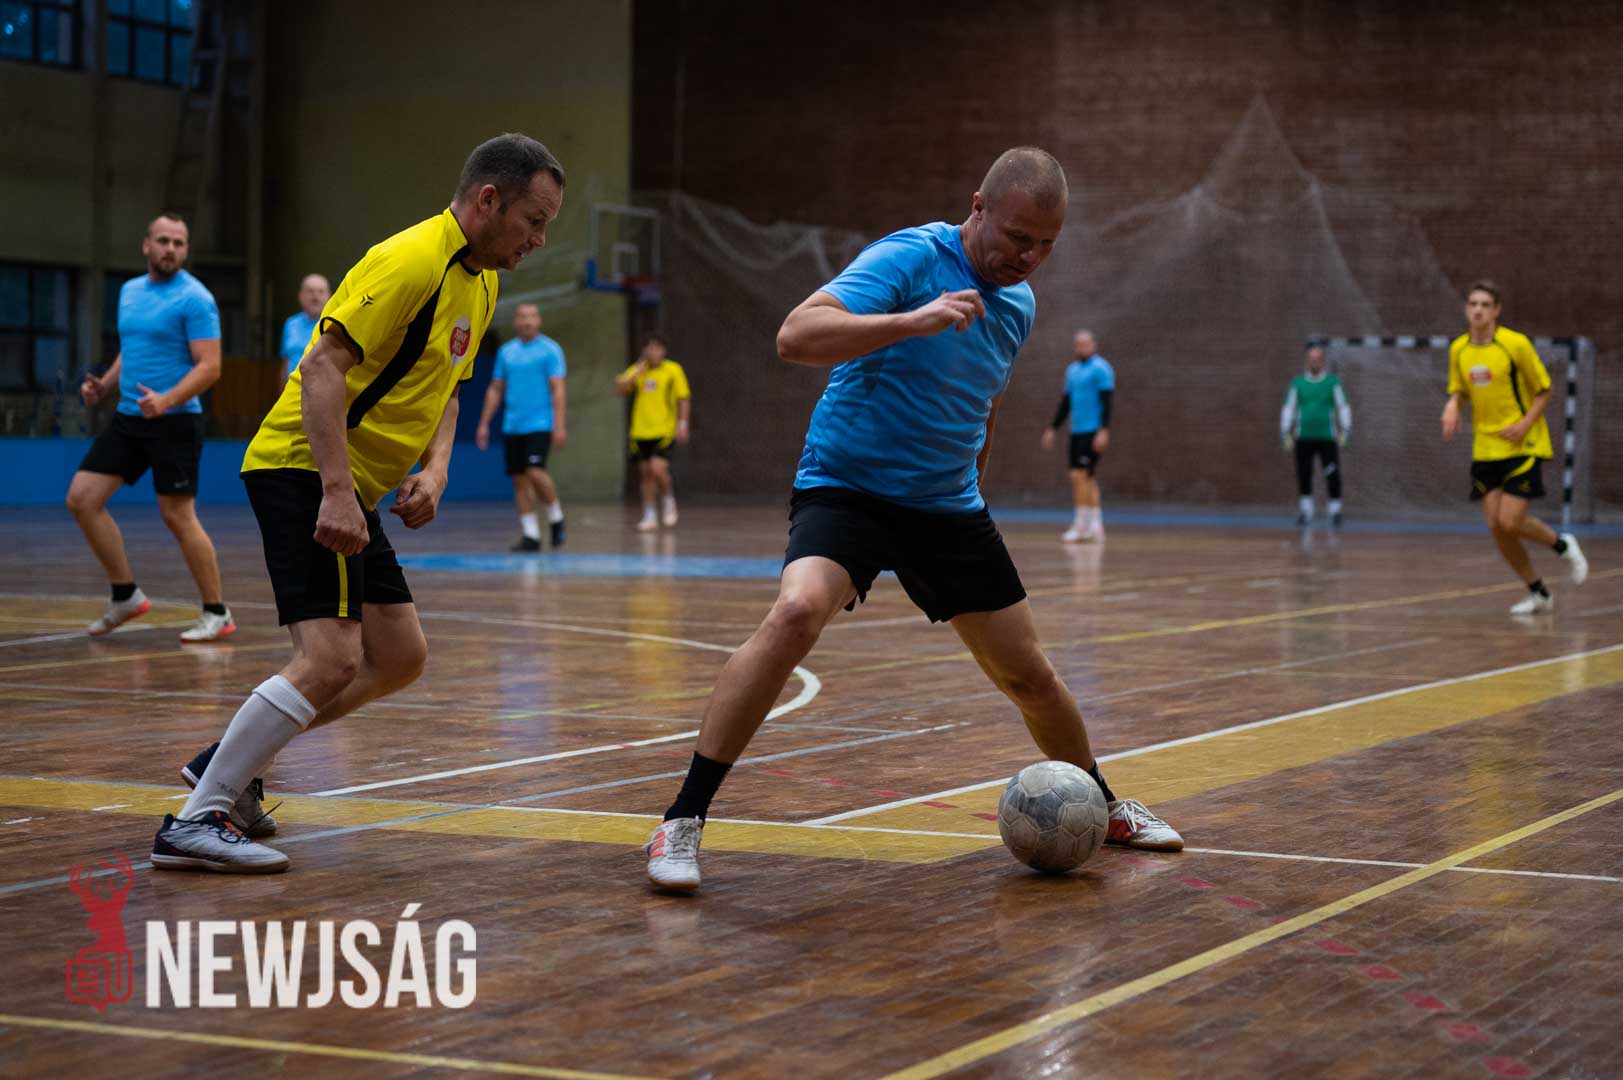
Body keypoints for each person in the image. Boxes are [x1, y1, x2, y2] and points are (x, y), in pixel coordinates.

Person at [644, 147, 1182, 892]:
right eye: (1017, 237)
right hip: (848, 489)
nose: (1028, 257)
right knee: (796, 613)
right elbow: (795, 336)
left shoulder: (1018, 306)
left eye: (1045, 245)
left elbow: (985, 401)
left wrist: (972, 488)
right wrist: (910, 321)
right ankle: (681, 820)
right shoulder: (910, 257)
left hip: (945, 507)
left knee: (1029, 675)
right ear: (978, 207)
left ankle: (1103, 803)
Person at [151, 133, 566, 872]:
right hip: (302, 468)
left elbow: (449, 386)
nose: (538, 240)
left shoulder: (482, 284)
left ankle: (226, 765)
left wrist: (436, 470)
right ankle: (195, 821)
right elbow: (321, 370)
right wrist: (339, 493)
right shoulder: (408, 261)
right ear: (488, 200)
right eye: (533, 222)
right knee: (331, 658)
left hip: (350, 485)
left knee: (399, 657)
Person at [67, 213, 235, 642]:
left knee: (177, 515)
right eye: (163, 241)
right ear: (146, 245)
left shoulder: (195, 299)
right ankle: (125, 595)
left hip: (175, 421)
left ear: (186, 250)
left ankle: (217, 612)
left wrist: (167, 400)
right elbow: (133, 347)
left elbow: (210, 366)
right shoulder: (130, 292)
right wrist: (105, 385)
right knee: (83, 499)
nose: (170, 249)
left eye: (178, 243)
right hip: (130, 417)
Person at [1441, 280, 1587, 616]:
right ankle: (1538, 592)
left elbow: (1544, 389)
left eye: (1485, 304)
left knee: (1510, 520)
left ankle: (1562, 544)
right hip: (1485, 447)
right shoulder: (1459, 349)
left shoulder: (1515, 344)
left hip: (1523, 442)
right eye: (1473, 304)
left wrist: (1524, 424)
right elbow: (1460, 390)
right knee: (1497, 527)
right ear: (1466, 309)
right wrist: (1452, 405)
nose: (1478, 310)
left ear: (1496, 311)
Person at [475, 302, 568, 550]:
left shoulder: (550, 350)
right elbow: (496, 388)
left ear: (539, 321)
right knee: (519, 480)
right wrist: (484, 423)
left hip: (540, 423)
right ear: (516, 322)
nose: (527, 321)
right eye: (522, 317)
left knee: (535, 471)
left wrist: (559, 425)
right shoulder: (506, 352)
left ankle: (556, 516)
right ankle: (531, 535)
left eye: (532, 316)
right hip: (512, 425)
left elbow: (558, 389)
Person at [1040, 329, 1114, 542]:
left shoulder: (1101, 369)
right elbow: (1066, 403)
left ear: (1094, 344)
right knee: (1080, 477)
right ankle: (1094, 525)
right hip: (1076, 431)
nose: (1082, 347)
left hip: (1093, 431)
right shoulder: (1072, 371)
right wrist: (1053, 428)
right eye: (1079, 344)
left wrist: (1103, 430)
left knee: (1083, 476)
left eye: (1086, 344)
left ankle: (1084, 524)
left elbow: (1107, 402)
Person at [615, 334, 690, 531]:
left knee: (658, 469)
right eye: (649, 348)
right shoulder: (638, 370)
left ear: (663, 351)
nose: (653, 352)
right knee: (646, 474)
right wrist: (636, 372)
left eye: (657, 348)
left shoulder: (673, 370)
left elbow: (683, 398)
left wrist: (682, 423)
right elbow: (620, 389)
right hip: (640, 431)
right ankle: (649, 514)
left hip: (663, 430)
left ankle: (668, 499)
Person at [1280, 343, 1351, 527]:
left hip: (1327, 437)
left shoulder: (1332, 383)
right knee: (1304, 474)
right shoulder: (1298, 383)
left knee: (1332, 474)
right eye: (1312, 358)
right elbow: (1289, 407)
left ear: (1323, 361)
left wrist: (1346, 430)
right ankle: (1306, 511)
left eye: (1318, 358)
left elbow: (1343, 406)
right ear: (1307, 361)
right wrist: (1285, 431)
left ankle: (1335, 512)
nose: (1315, 361)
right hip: (1303, 437)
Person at [279, 273, 332, 383]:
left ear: (329, 297)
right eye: (310, 291)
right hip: (292, 388)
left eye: (321, 292)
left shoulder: (333, 326)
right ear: (300, 296)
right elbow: (286, 362)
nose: (315, 297)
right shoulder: (291, 324)